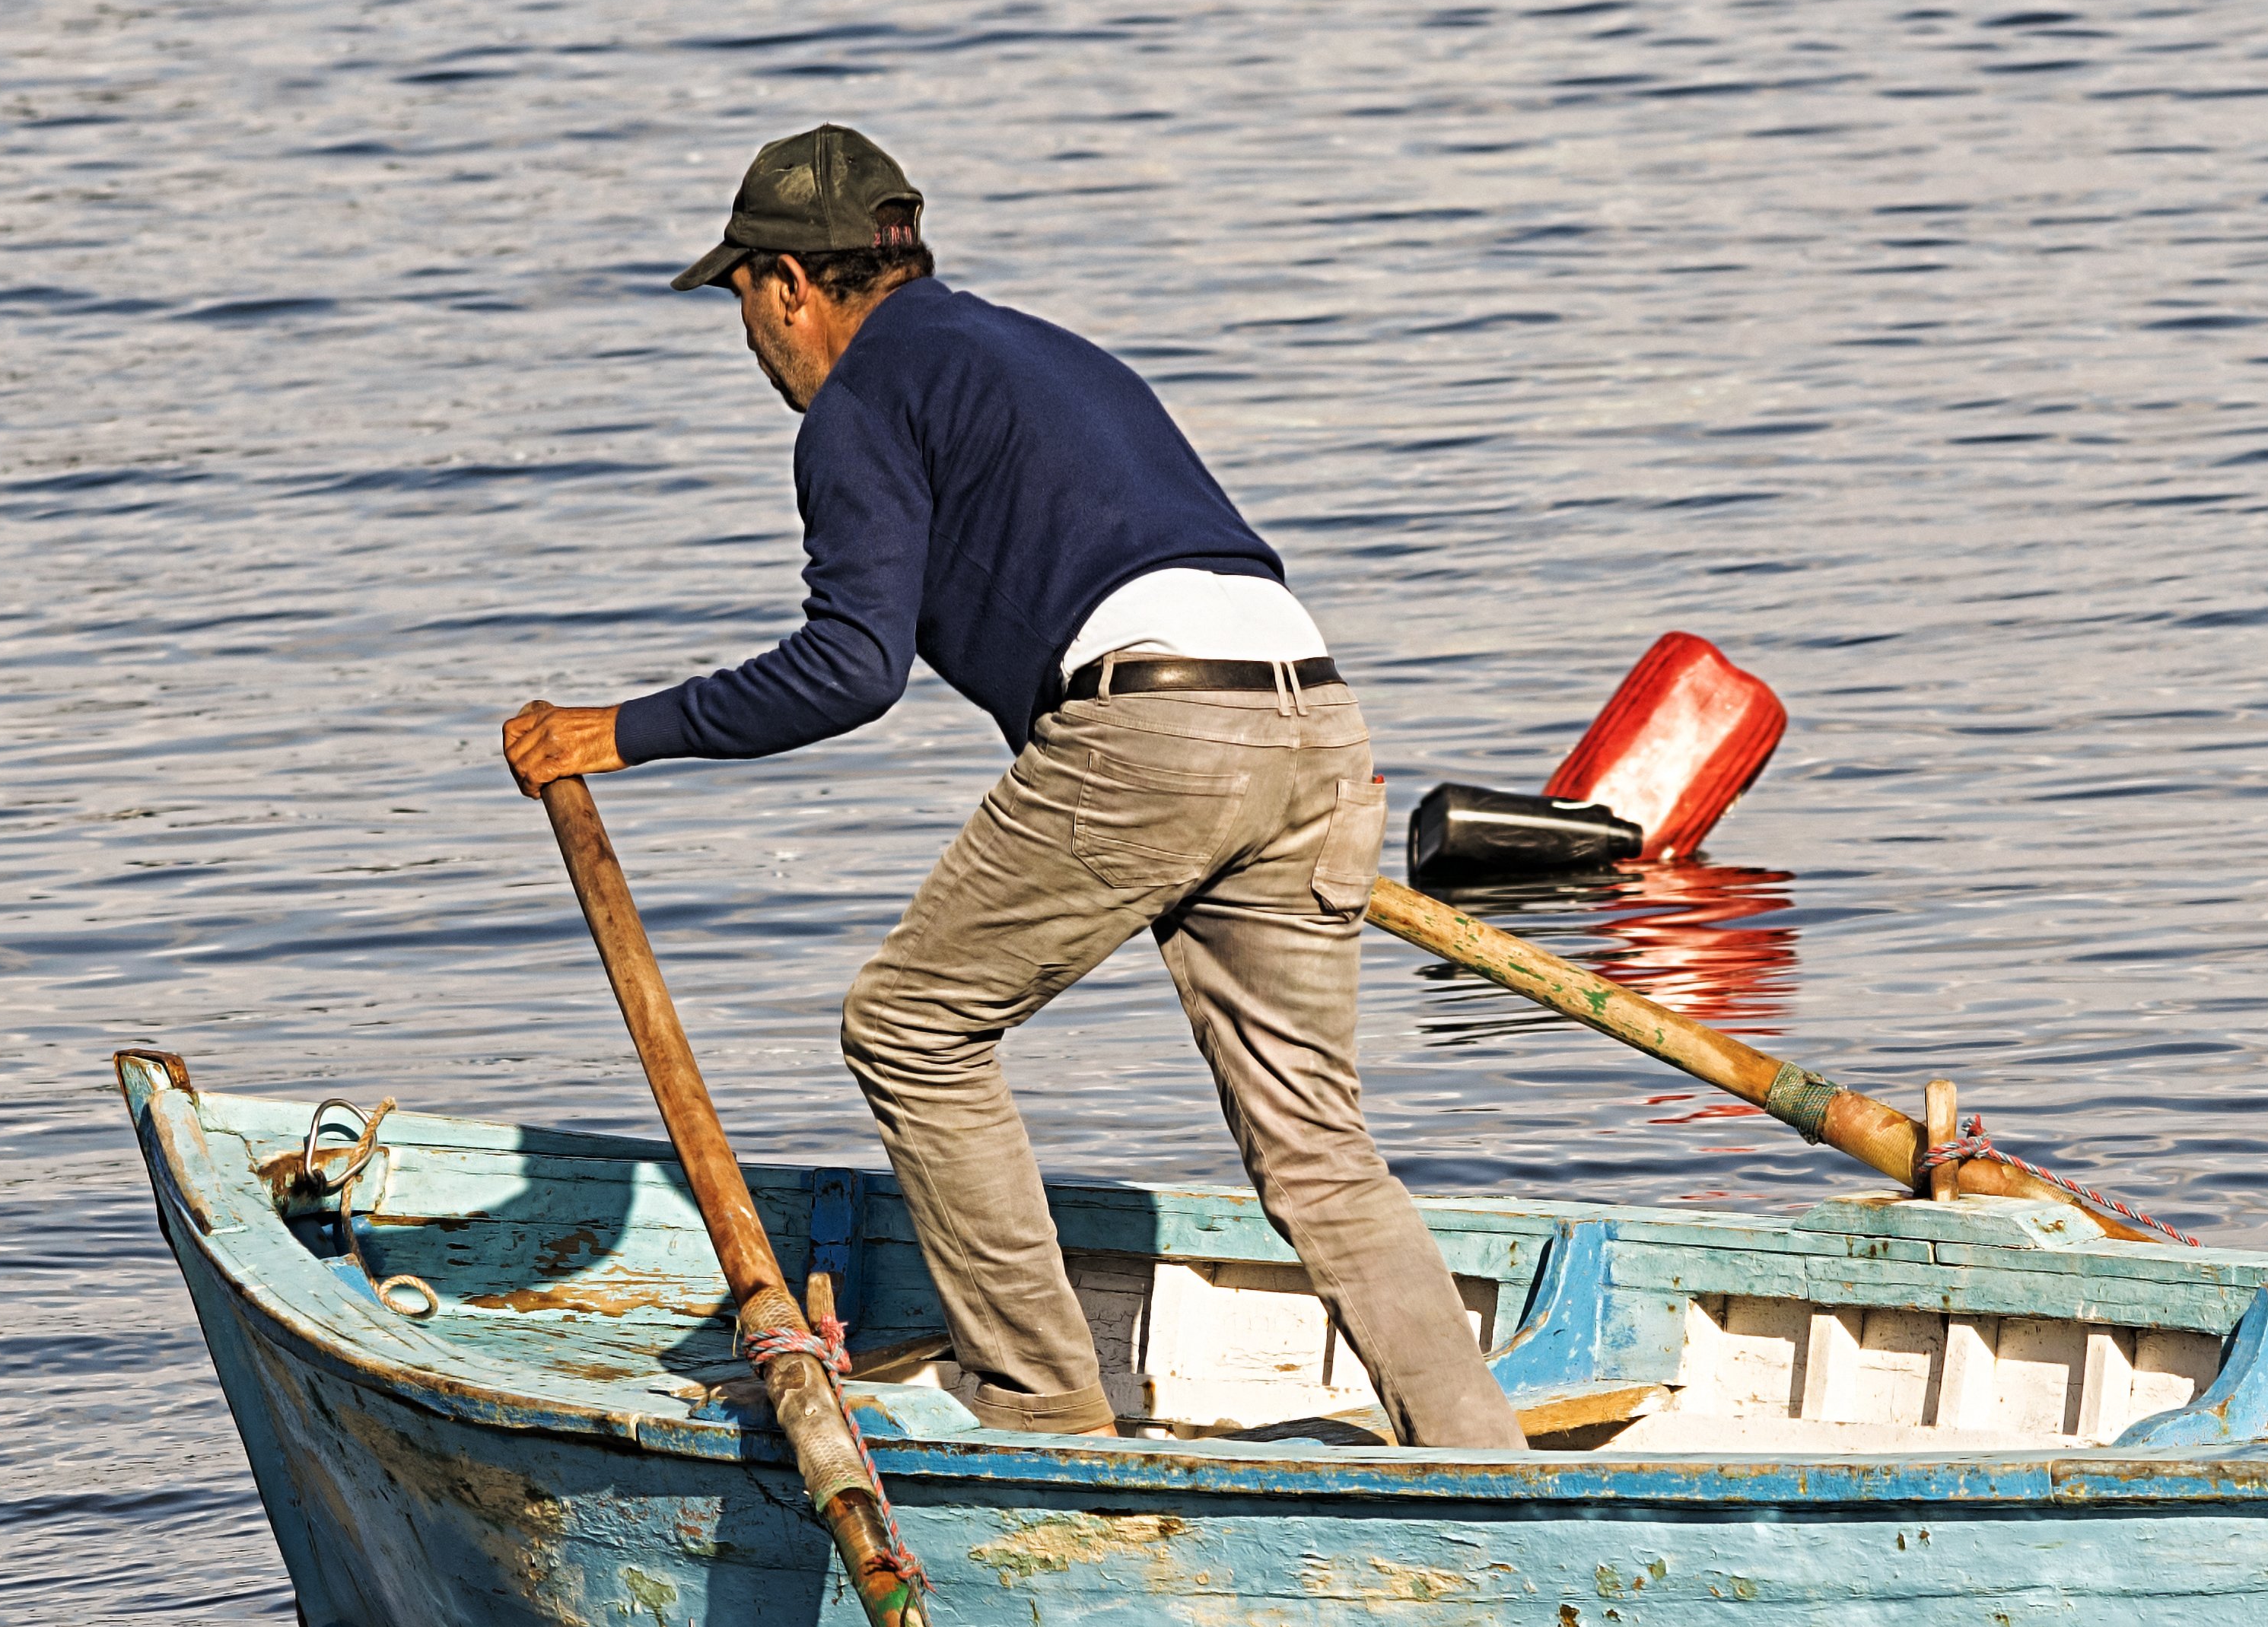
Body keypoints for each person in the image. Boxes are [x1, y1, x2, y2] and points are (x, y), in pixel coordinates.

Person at [501, 126, 1526, 1452]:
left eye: (744, 299)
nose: (751, 337)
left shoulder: (863, 401)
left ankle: (1043, 1398)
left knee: (911, 1027)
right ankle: (1478, 1455)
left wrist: (619, 733)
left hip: (1157, 726)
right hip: (1313, 714)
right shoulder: (1045, 350)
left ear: (791, 287)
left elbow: (851, 671)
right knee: (1315, 1146)